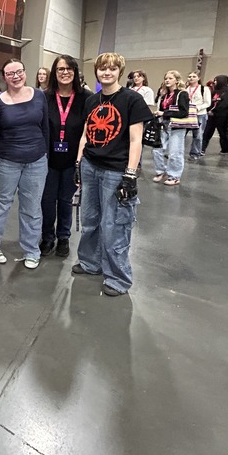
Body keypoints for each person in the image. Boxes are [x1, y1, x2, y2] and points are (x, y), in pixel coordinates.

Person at [72, 52, 151, 296]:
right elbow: (87, 133)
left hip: (116, 171)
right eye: (102, 68)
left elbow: (136, 140)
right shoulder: (92, 100)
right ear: (96, 71)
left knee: (115, 225)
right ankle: (90, 262)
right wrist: (78, 161)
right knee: (90, 220)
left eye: (112, 69)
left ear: (119, 71)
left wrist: (130, 174)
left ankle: (118, 278)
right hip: (90, 166)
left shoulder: (132, 100)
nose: (107, 72)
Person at [0, 58, 49, 269]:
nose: (16, 76)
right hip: (6, 162)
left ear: (25, 72)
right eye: (10, 73)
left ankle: (31, 250)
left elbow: (45, 126)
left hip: (36, 161)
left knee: (32, 207)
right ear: (5, 78)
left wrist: (45, 153)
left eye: (19, 71)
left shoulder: (39, 96)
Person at [40, 55, 91, 258]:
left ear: (75, 72)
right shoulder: (44, 97)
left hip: (73, 160)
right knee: (47, 200)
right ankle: (47, 237)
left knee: (65, 200)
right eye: (60, 69)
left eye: (69, 68)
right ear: (55, 72)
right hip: (48, 160)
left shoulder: (86, 98)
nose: (65, 72)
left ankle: (63, 237)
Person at [152, 70, 189, 186]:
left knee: (175, 152)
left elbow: (184, 112)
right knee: (156, 150)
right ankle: (160, 171)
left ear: (177, 81)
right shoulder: (165, 96)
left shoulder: (182, 94)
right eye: (166, 78)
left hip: (177, 126)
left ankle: (174, 176)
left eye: (170, 78)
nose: (167, 80)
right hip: (164, 125)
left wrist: (164, 113)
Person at [202, 75, 228, 154]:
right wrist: (209, 110)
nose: (214, 82)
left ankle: (226, 149)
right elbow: (210, 101)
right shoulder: (215, 90)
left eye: (216, 80)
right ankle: (202, 148)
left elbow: (227, 102)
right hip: (212, 115)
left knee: (223, 133)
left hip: (223, 115)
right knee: (207, 132)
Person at [184, 71, 210, 160]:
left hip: (199, 114)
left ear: (198, 78)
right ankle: (177, 152)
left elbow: (207, 102)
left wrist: (198, 108)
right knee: (181, 133)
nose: (191, 78)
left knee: (198, 135)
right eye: (189, 76)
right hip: (187, 114)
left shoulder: (204, 89)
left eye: (194, 76)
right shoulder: (185, 89)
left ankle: (195, 153)